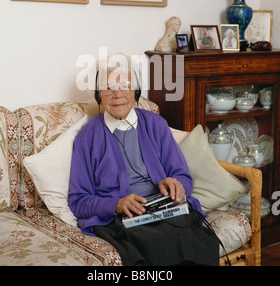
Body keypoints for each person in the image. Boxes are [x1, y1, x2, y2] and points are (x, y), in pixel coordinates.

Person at [68, 55, 219, 266]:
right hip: (120, 218)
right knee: (154, 244)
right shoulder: (87, 138)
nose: (117, 94)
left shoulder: (156, 124)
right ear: (99, 97)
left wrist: (176, 184)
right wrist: (116, 204)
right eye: (109, 88)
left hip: (164, 207)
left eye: (125, 87)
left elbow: (182, 176)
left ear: (136, 93)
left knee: (198, 239)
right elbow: (78, 201)